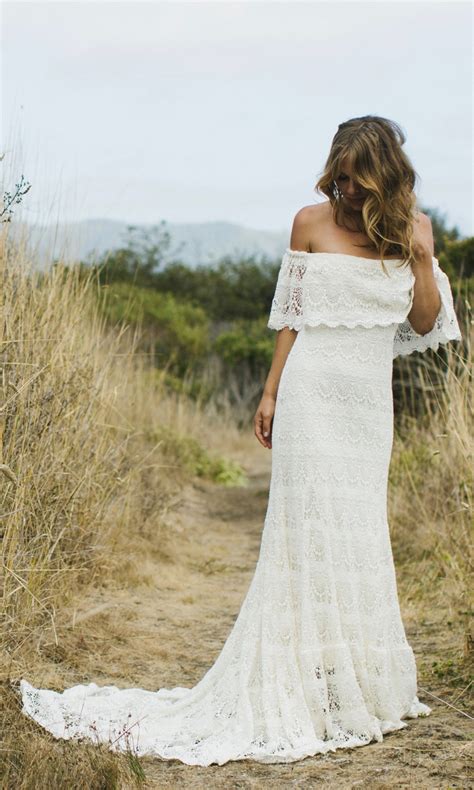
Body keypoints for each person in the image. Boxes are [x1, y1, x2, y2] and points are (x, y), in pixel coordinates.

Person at [17, 115, 462, 767]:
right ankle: (297, 683)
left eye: (358, 182)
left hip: (368, 405)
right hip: (311, 394)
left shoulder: (413, 233)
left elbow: (425, 320)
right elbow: (290, 316)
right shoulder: (309, 222)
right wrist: (272, 391)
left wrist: (422, 260)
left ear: (383, 176)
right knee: (304, 532)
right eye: (339, 179)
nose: (347, 193)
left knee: (358, 530)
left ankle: (348, 684)